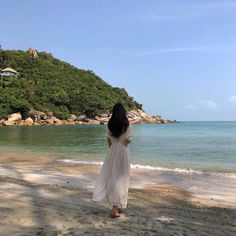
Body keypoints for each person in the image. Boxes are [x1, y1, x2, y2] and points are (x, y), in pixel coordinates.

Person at [92, 103, 132, 218]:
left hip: (112, 152)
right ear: (123, 112)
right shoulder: (127, 125)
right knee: (122, 179)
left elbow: (109, 141)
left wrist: (113, 150)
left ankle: (116, 205)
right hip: (123, 153)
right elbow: (128, 141)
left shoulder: (109, 124)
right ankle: (115, 208)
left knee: (112, 177)